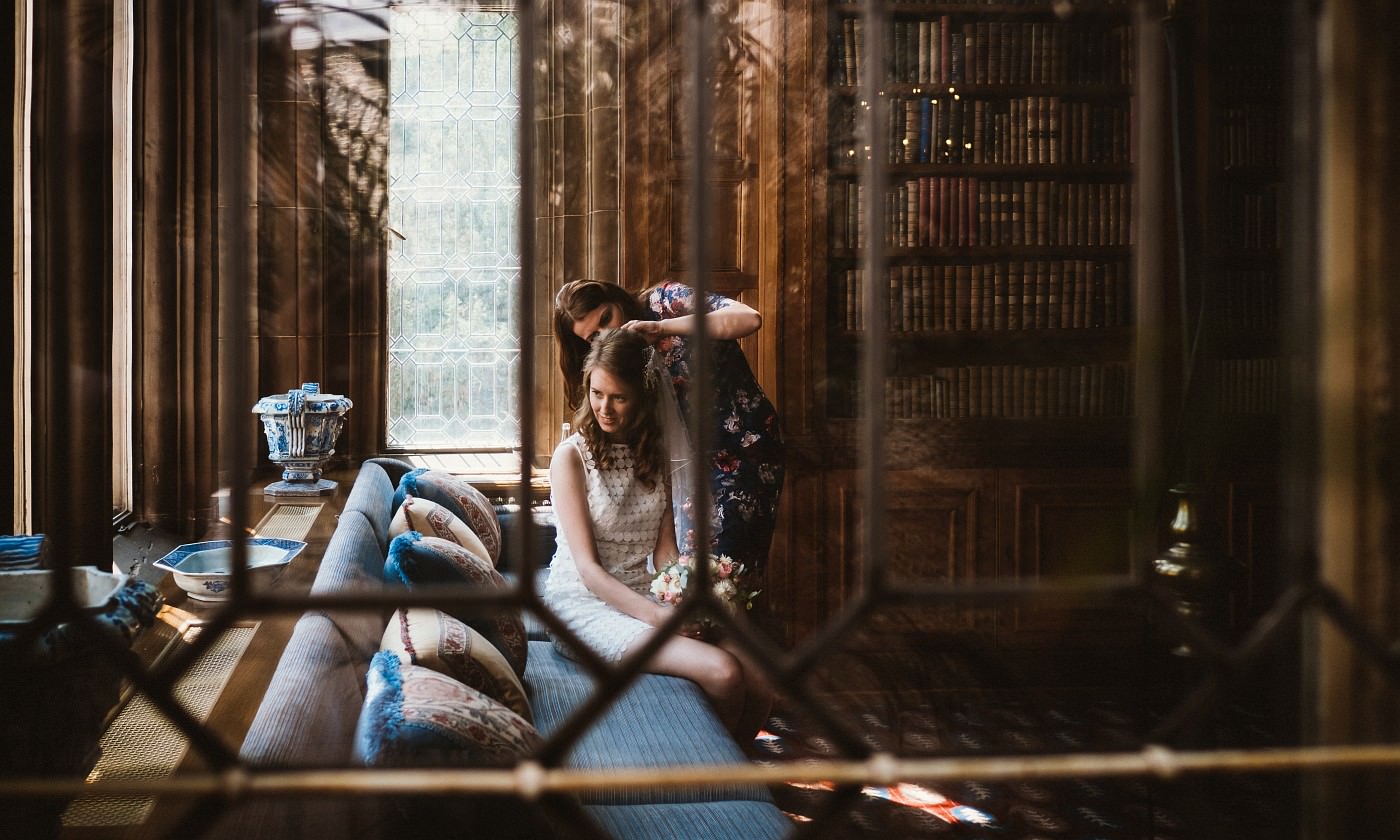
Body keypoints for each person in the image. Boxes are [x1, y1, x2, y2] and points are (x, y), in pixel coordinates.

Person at [543, 328, 771, 741]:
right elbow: (588, 570)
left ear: (645, 398)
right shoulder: (571, 458)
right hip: (584, 605)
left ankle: (733, 784)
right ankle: (702, 779)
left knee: (758, 676)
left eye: (619, 397)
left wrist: (687, 599)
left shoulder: (657, 453)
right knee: (722, 672)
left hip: (645, 593)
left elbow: (666, 551)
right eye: (596, 393)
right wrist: (659, 618)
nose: (604, 408)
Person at [553, 279, 784, 579]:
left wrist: (663, 328)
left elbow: (749, 318)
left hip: (745, 451)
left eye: (607, 318)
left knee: (730, 569)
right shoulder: (621, 354)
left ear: (615, 299)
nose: (608, 333)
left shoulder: (664, 302)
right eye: (593, 335)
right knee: (687, 570)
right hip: (683, 465)